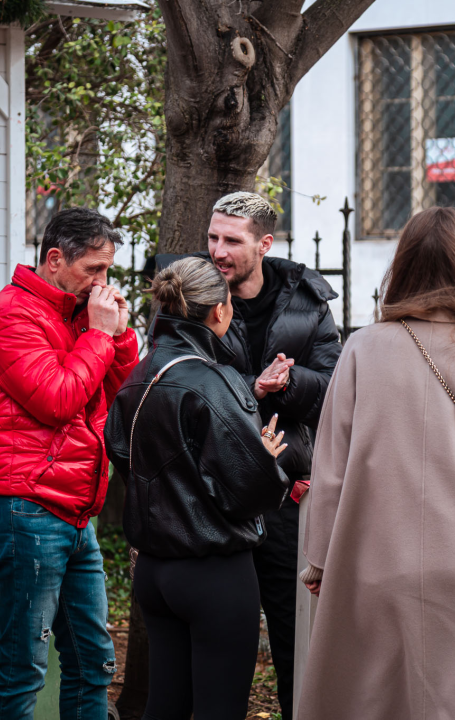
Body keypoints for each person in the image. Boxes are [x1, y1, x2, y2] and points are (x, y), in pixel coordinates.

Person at [296, 207, 455, 720]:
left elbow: (331, 470)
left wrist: (321, 558)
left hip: (373, 559)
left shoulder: (363, 349)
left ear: (403, 265)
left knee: (373, 701)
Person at [144, 191, 341, 718]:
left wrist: (291, 381)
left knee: (293, 638)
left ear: (264, 243)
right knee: (201, 658)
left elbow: (335, 389)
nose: (218, 250)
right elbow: (167, 376)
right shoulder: (188, 294)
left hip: (281, 496)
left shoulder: (307, 303)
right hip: (208, 500)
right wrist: (243, 394)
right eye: (213, 237)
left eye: (232, 240)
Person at [104, 257, 291, 720]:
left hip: (154, 572)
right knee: (218, 710)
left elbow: (121, 453)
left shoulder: (139, 375)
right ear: (219, 312)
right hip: (214, 572)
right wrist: (265, 461)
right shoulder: (214, 380)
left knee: (165, 706)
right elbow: (249, 494)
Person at [0, 208, 138, 719]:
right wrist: (98, 337)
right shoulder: (11, 315)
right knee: (25, 669)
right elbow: (57, 400)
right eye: (93, 270)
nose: (102, 283)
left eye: (108, 271)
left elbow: (123, 394)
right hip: (26, 510)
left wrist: (121, 336)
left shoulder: (78, 317)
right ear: (54, 260)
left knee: (94, 661)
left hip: (74, 513)